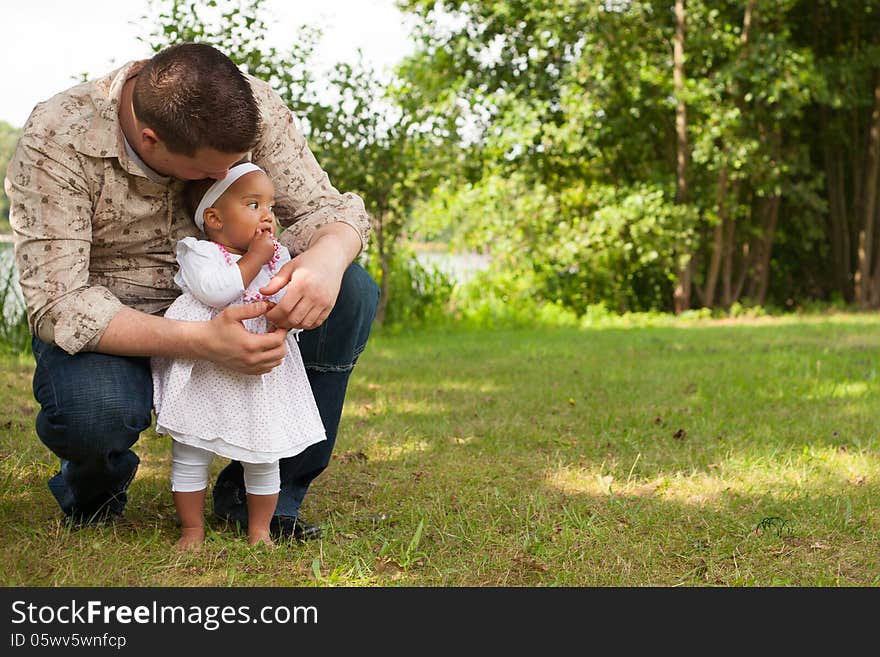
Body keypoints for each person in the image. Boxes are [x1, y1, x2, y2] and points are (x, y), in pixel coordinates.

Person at [4, 42, 379, 540]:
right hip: (119, 317)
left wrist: (328, 261)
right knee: (96, 410)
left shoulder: (249, 109)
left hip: (240, 302)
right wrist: (202, 340)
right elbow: (60, 303)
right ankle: (96, 493)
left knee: (351, 290)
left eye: (234, 166)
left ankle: (261, 498)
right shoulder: (58, 136)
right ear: (151, 140)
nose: (225, 179)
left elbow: (326, 211)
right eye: (209, 173)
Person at [153, 162, 326, 549]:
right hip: (206, 369)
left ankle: (260, 529)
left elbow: (283, 297)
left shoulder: (273, 257)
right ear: (213, 218)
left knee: (263, 452)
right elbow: (218, 291)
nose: (267, 215)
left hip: (258, 374)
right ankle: (192, 528)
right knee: (192, 450)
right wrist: (256, 257)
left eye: (270, 205)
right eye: (252, 204)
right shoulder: (199, 252)